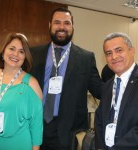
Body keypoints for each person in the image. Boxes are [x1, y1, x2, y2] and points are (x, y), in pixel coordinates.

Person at [30, 7, 102, 150]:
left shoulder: (86, 58)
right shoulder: (33, 54)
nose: (62, 27)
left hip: (69, 134)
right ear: (49, 25)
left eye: (67, 23)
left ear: (72, 27)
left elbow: (100, 91)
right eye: (57, 22)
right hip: (35, 128)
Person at [95, 32, 138, 150]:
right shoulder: (107, 86)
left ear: (132, 51)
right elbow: (99, 121)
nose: (114, 57)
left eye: (119, 50)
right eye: (109, 53)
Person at [0, 33, 43, 150]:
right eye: (12, 48)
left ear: (25, 57)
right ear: (3, 52)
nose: (15, 54)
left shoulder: (31, 84)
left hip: (18, 144)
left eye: (21, 51)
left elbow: (36, 123)